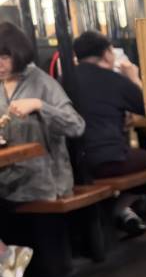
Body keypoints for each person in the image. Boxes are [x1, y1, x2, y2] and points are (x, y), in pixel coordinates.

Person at [71, 30, 146, 236]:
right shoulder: (113, 79)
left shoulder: (66, 79)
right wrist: (133, 78)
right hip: (108, 160)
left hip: (75, 164)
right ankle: (118, 209)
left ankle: (121, 212)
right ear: (107, 54)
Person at [0, 22, 85, 203]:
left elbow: (76, 126)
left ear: (18, 53)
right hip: (7, 186)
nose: (0, 64)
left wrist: (39, 105)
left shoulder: (41, 82)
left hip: (44, 186)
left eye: (4, 57)